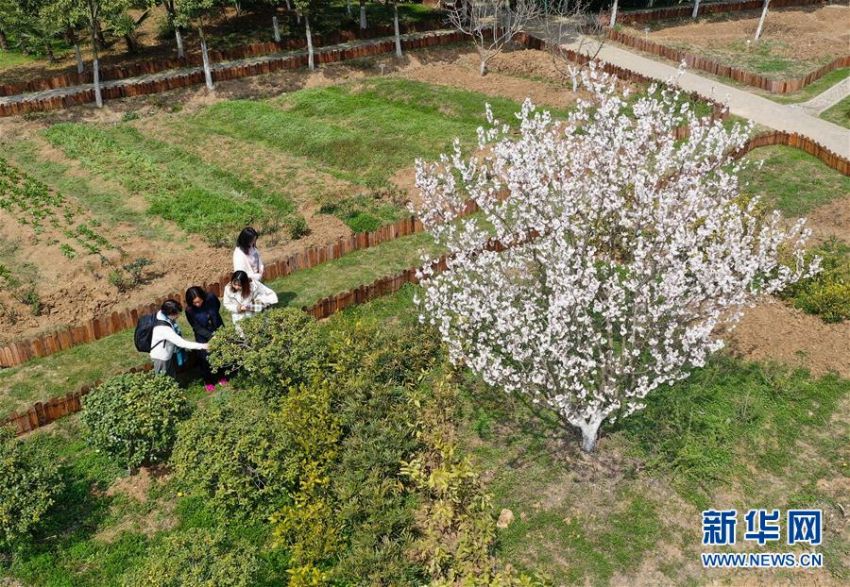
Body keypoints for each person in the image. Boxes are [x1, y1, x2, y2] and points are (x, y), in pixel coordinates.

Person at [150, 300, 208, 378]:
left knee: (171, 376)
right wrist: (203, 346)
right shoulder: (164, 328)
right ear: (170, 313)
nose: (178, 315)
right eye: (177, 313)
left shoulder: (162, 315)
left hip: (167, 352)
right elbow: (181, 343)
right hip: (161, 357)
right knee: (163, 379)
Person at [185, 286, 227, 393]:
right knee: (205, 358)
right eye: (194, 303)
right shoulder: (189, 310)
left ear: (203, 296)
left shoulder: (211, 298)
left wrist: (216, 332)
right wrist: (211, 337)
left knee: (220, 353)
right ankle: (208, 381)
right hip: (203, 335)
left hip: (218, 329)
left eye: (199, 301)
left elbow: (217, 308)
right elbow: (196, 327)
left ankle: (221, 375)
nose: (197, 304)